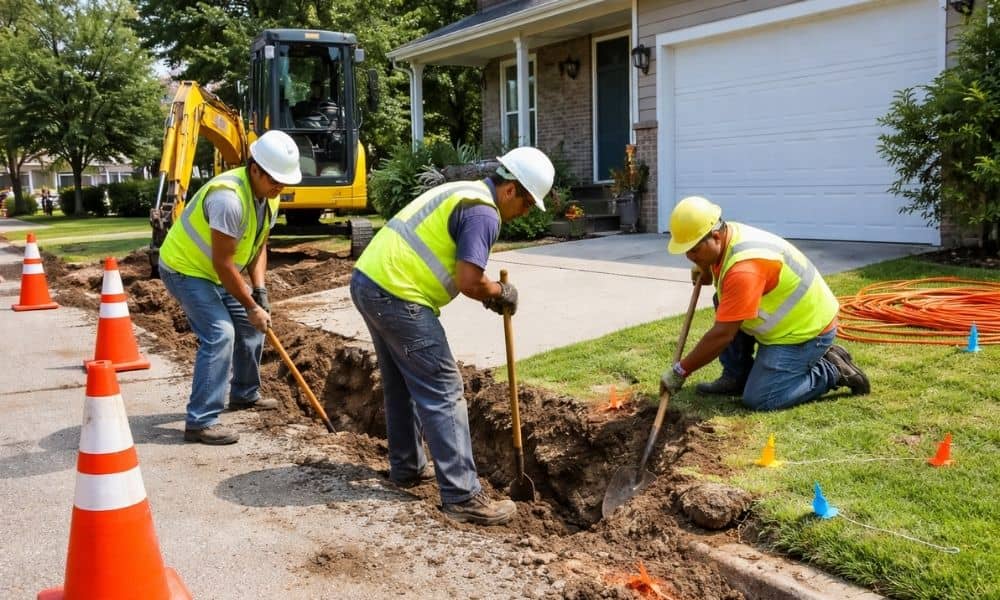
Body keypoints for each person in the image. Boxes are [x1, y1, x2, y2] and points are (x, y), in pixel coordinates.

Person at [350, 146, 555, 526]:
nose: (523, 213)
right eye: (527, 205)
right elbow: (469, 280)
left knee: (401, 382)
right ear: (511, 190)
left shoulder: (466, 192)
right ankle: (463, 496)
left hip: (370, 282)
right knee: (443, 387)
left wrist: (489, 293)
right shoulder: (483, 212)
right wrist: (499, 293)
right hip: (397, 293)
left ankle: (408, 466)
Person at [157, 130, 302, 444]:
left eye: (284, 181)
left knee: (252, 329)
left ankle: (245, 394)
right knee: (221, 333)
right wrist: (251, 306)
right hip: (186, 269)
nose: (280, 186)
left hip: (218, 272)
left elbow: (258, 246)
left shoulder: (269, 198)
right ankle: (200, 422)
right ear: (255, 169)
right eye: (275, 179)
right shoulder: (228, 198)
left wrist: (259, 291)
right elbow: (224, 263)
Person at [659, 196, 870, 411]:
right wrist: (705, 267)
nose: (689, 256)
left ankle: (831, 369)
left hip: (806, 331)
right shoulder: (728, 235)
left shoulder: (744, 267)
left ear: (715, 236)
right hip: (792, 321)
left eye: (694, 250)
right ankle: (736, 377)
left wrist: (681, 371)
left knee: (761, 398)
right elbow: (726, 279)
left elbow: (723, 335)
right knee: (722, 301)